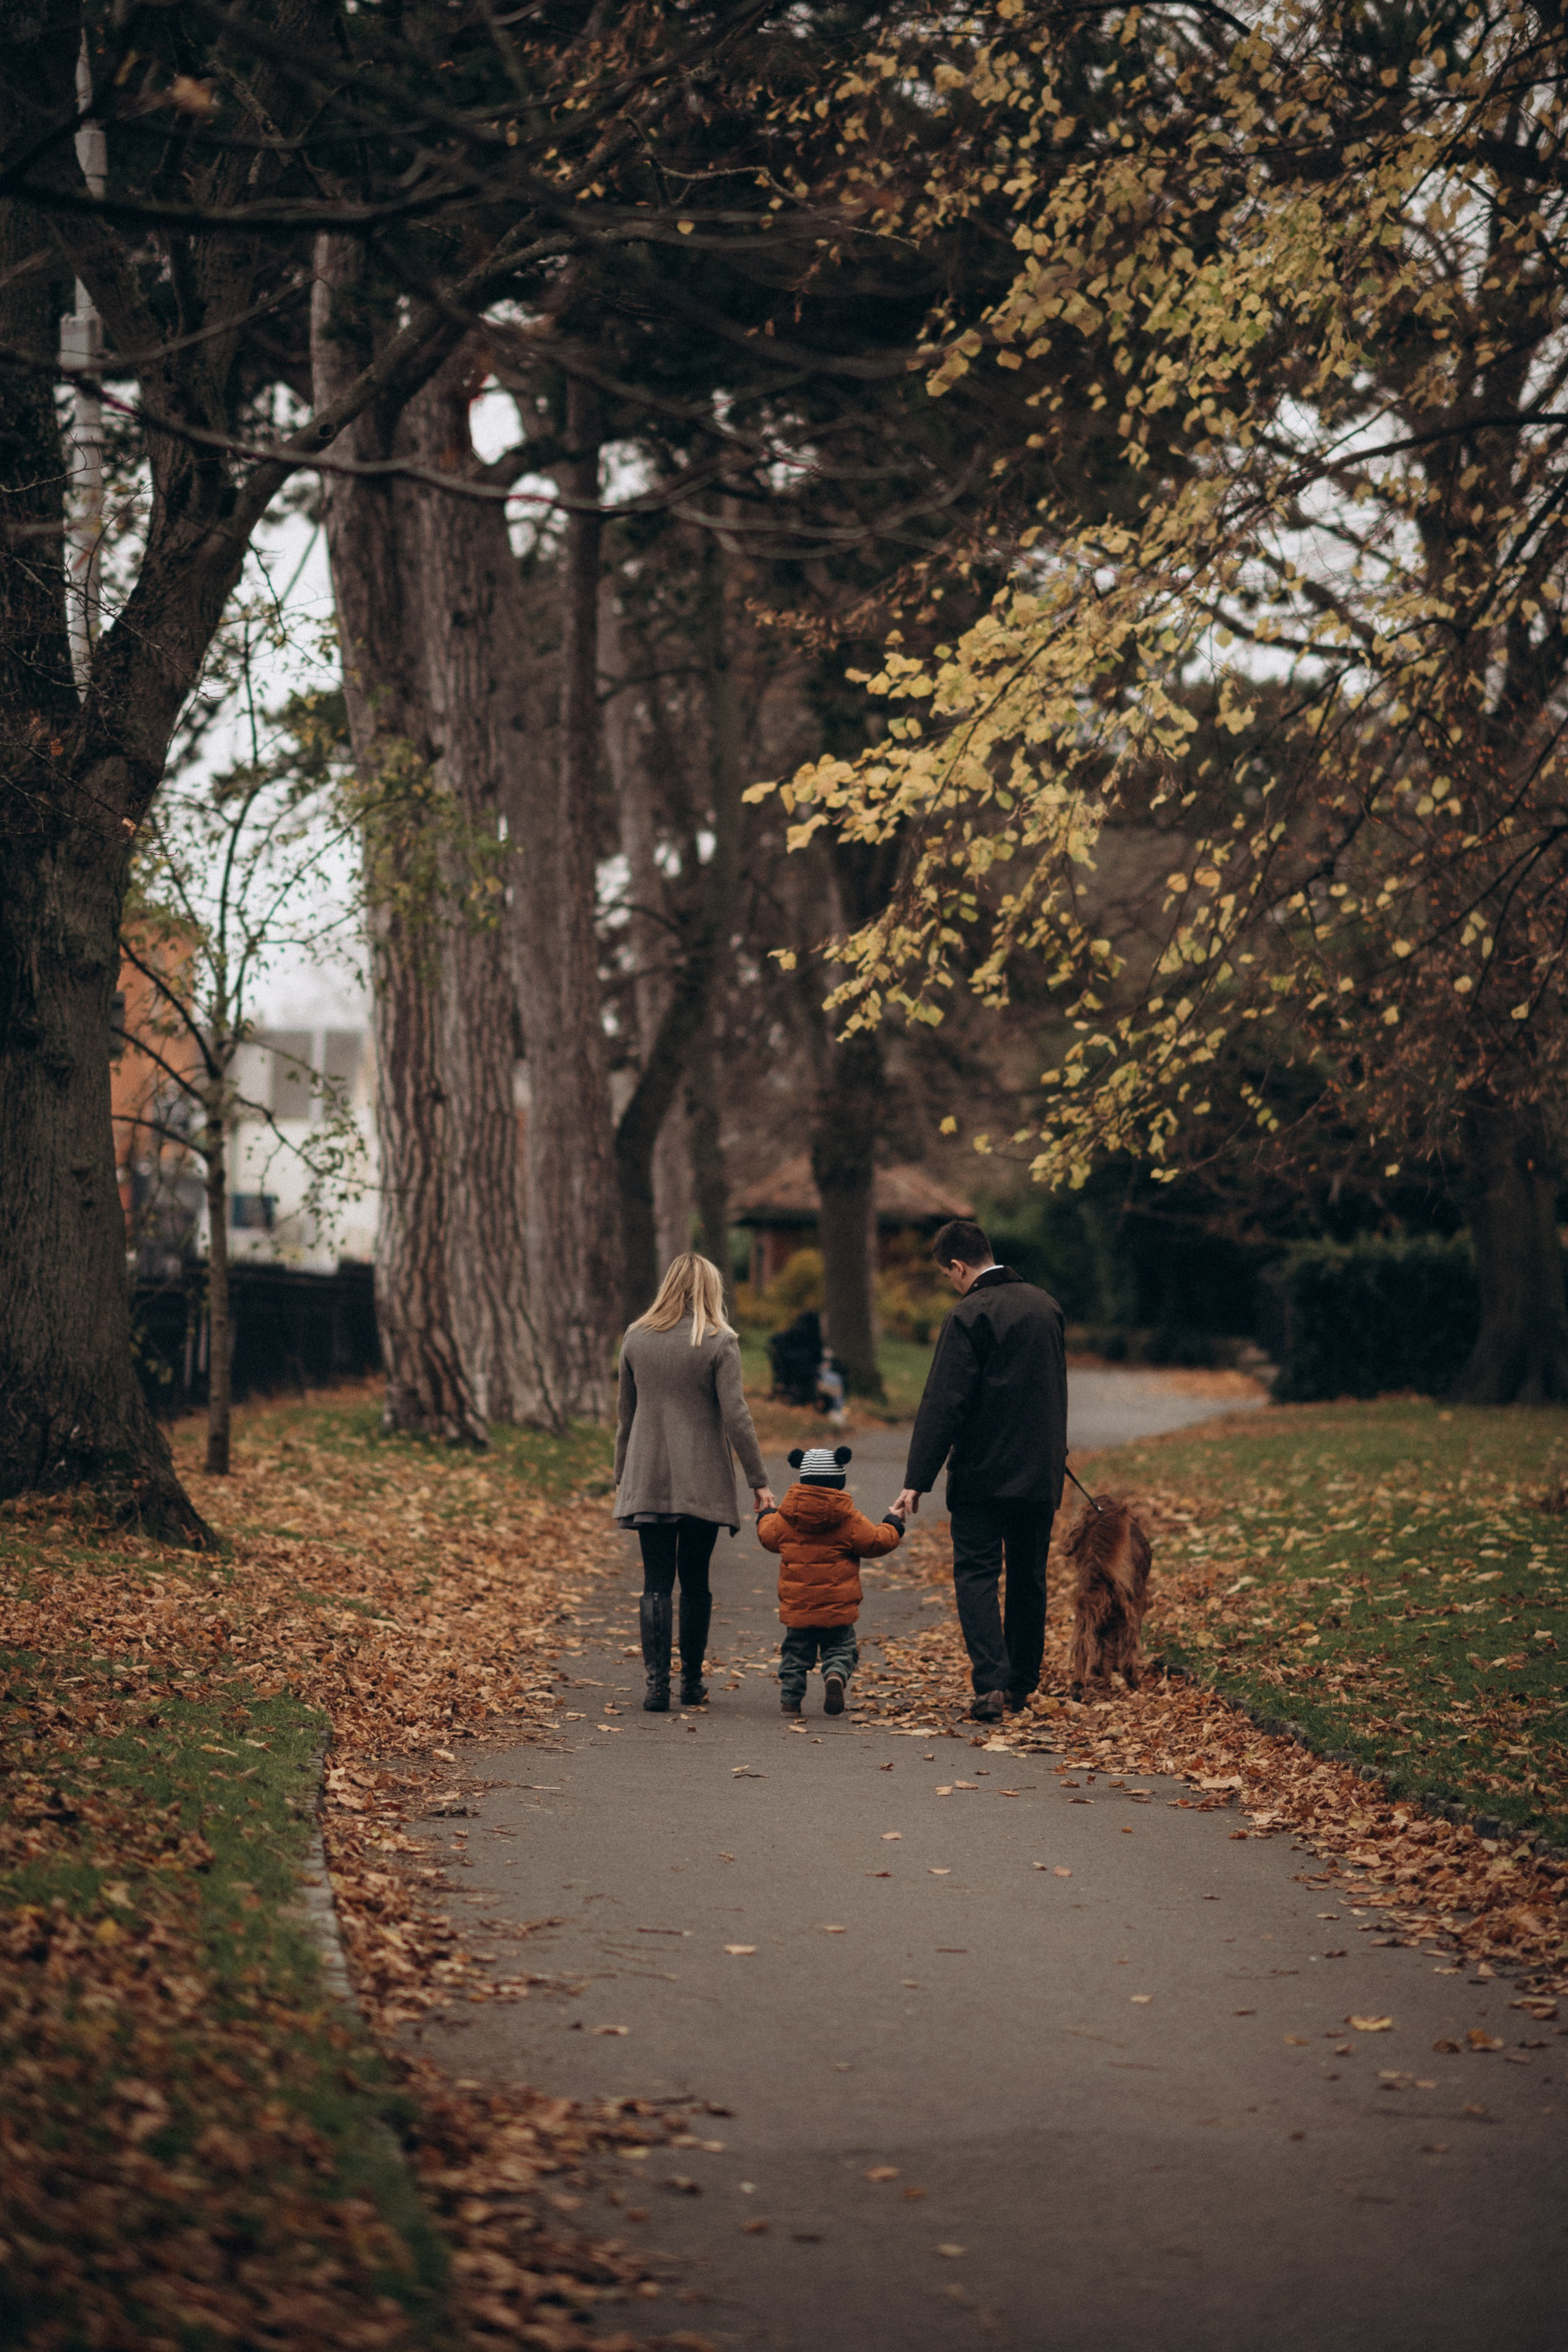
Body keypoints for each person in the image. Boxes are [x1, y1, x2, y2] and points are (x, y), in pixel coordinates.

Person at [891, 1218, 1068, 1723]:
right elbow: (1054, 1390)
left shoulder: (968, 1315)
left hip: (982, 1474)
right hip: (1038, 1472)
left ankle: (990, 1682)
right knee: (1029, 1577)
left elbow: (943, 1402)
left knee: (977, 1574)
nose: (952, 1284)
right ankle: (1022, 1686)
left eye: (949, 1276)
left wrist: (916, 1480)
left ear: (957, 1265)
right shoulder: (1046, 1306)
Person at [614, 1253, 775, 1712]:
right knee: (696, 1579)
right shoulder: (718, 1340)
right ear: (710, 1288)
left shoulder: (635, 1338)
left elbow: (625, 1417)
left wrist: (622, 1476)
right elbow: (737, 1417)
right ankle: (691, 1683)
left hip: (647, 1475)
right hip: (702, 1478)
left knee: (656, 1581)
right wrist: (758, 1481)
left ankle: (656, 1686)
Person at [757, 1446, 903, 1716]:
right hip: (837, 1610)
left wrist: (766, 1514)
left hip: (798, 1609)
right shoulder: (849, 1519)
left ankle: (790, 1701)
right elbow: (876, 1543)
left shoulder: (785, 1518)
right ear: (840, 1479)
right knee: (841, 1648)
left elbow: (768, 1538)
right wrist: (893, 1521)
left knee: (795, 1656)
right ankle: (835, 1673)